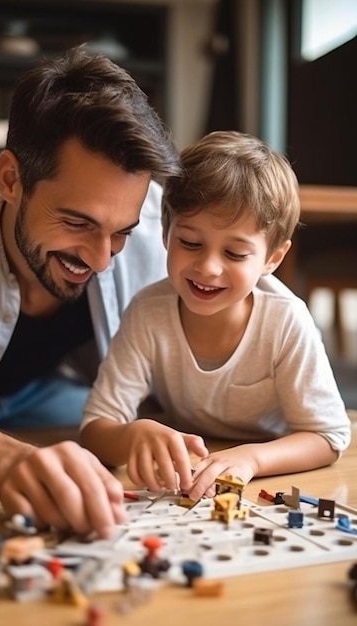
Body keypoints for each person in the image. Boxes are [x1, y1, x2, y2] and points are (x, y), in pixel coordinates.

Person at [0, 45, 181, 538]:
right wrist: (13, 464)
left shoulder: (153, 222)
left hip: (50, 400)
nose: (102, 258)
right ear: (10, 179)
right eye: (76, 223)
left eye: (120, 232)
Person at [80, 130, 352, 501]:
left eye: (235, 254)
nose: (207, 268)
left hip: (263, 472)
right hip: (192, 468)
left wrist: (251, 459)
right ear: (165, 233)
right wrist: (132, 436)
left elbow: (328, 436)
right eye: (190, 243)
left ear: (273, 258)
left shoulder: (286, 320)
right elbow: (96, 428)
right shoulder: (148, 312)